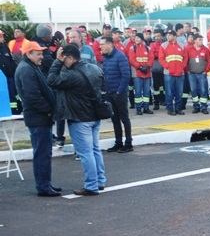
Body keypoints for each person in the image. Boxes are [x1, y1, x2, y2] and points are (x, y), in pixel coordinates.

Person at [46, 45, 106, 196]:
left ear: (70, 58)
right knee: (95, 150)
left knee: (86, 153)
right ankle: (100, 181)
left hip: (80, 118)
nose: (63, 61)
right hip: (95, 116)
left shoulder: (71, 75)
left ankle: (91, 185)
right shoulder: (95, 69)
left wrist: (57, 62)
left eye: (64, 58)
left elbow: (51, 80)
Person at [14, 40, 60, 196]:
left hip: (40, 117)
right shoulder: (27, 70)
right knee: (42, 153)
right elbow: (32, 96)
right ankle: (43, 186)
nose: (42, 56)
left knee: (44, 153)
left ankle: (45, 184)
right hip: (38, 117)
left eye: (42, 53)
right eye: (38, 53)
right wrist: (48, 110)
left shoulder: (31, 67)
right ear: (28, 54)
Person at [99, 36, 133, 153]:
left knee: (124, 118)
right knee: (115, 119)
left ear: (110, 44)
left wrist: (119, 91)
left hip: (120, 93)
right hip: (110, 93)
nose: (101, 47)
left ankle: (128, 143)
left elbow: (126, 75)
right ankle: (118, 143)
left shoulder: (120, 56)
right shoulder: (106, 57)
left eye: (103, 44)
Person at [161, 29, 186, 116]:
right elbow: (161, 58)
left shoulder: (182, 46)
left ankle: (178, 108)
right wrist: (168, 66)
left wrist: (182, 67)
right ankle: (170, 108)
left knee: (179, 92)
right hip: (169, 73)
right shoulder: (163, 46)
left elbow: (185, 58)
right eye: (167, 34)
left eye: (170, 34)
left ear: (175, 36)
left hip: (180, 73)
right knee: (169, 92)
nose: (168, 36)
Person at [128, 30, 153, 116]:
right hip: (137, 74)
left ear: (142, 39)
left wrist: (147, 66)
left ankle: (146, 107)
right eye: (135, 38)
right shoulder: (132, 48)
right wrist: (140, 67)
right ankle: (138, 108)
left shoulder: (148, 48)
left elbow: (151, 59)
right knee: (138, 92)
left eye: (138, 37)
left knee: (146, 92)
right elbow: (132, 60)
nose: (136, 39)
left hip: (147, 73)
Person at [186, 33, 210, 114]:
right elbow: (186, 60)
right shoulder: (189, 49)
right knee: (193, 90)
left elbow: (209, 62)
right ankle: (196, 106)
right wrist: (187, 70)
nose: (201, 41)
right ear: (195, 41)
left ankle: (204, 107)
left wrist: (206, 70)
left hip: (202, 74)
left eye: (202, 40)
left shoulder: (206, 50)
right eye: (199, 40)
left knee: (203, 90)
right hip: (192, 74)